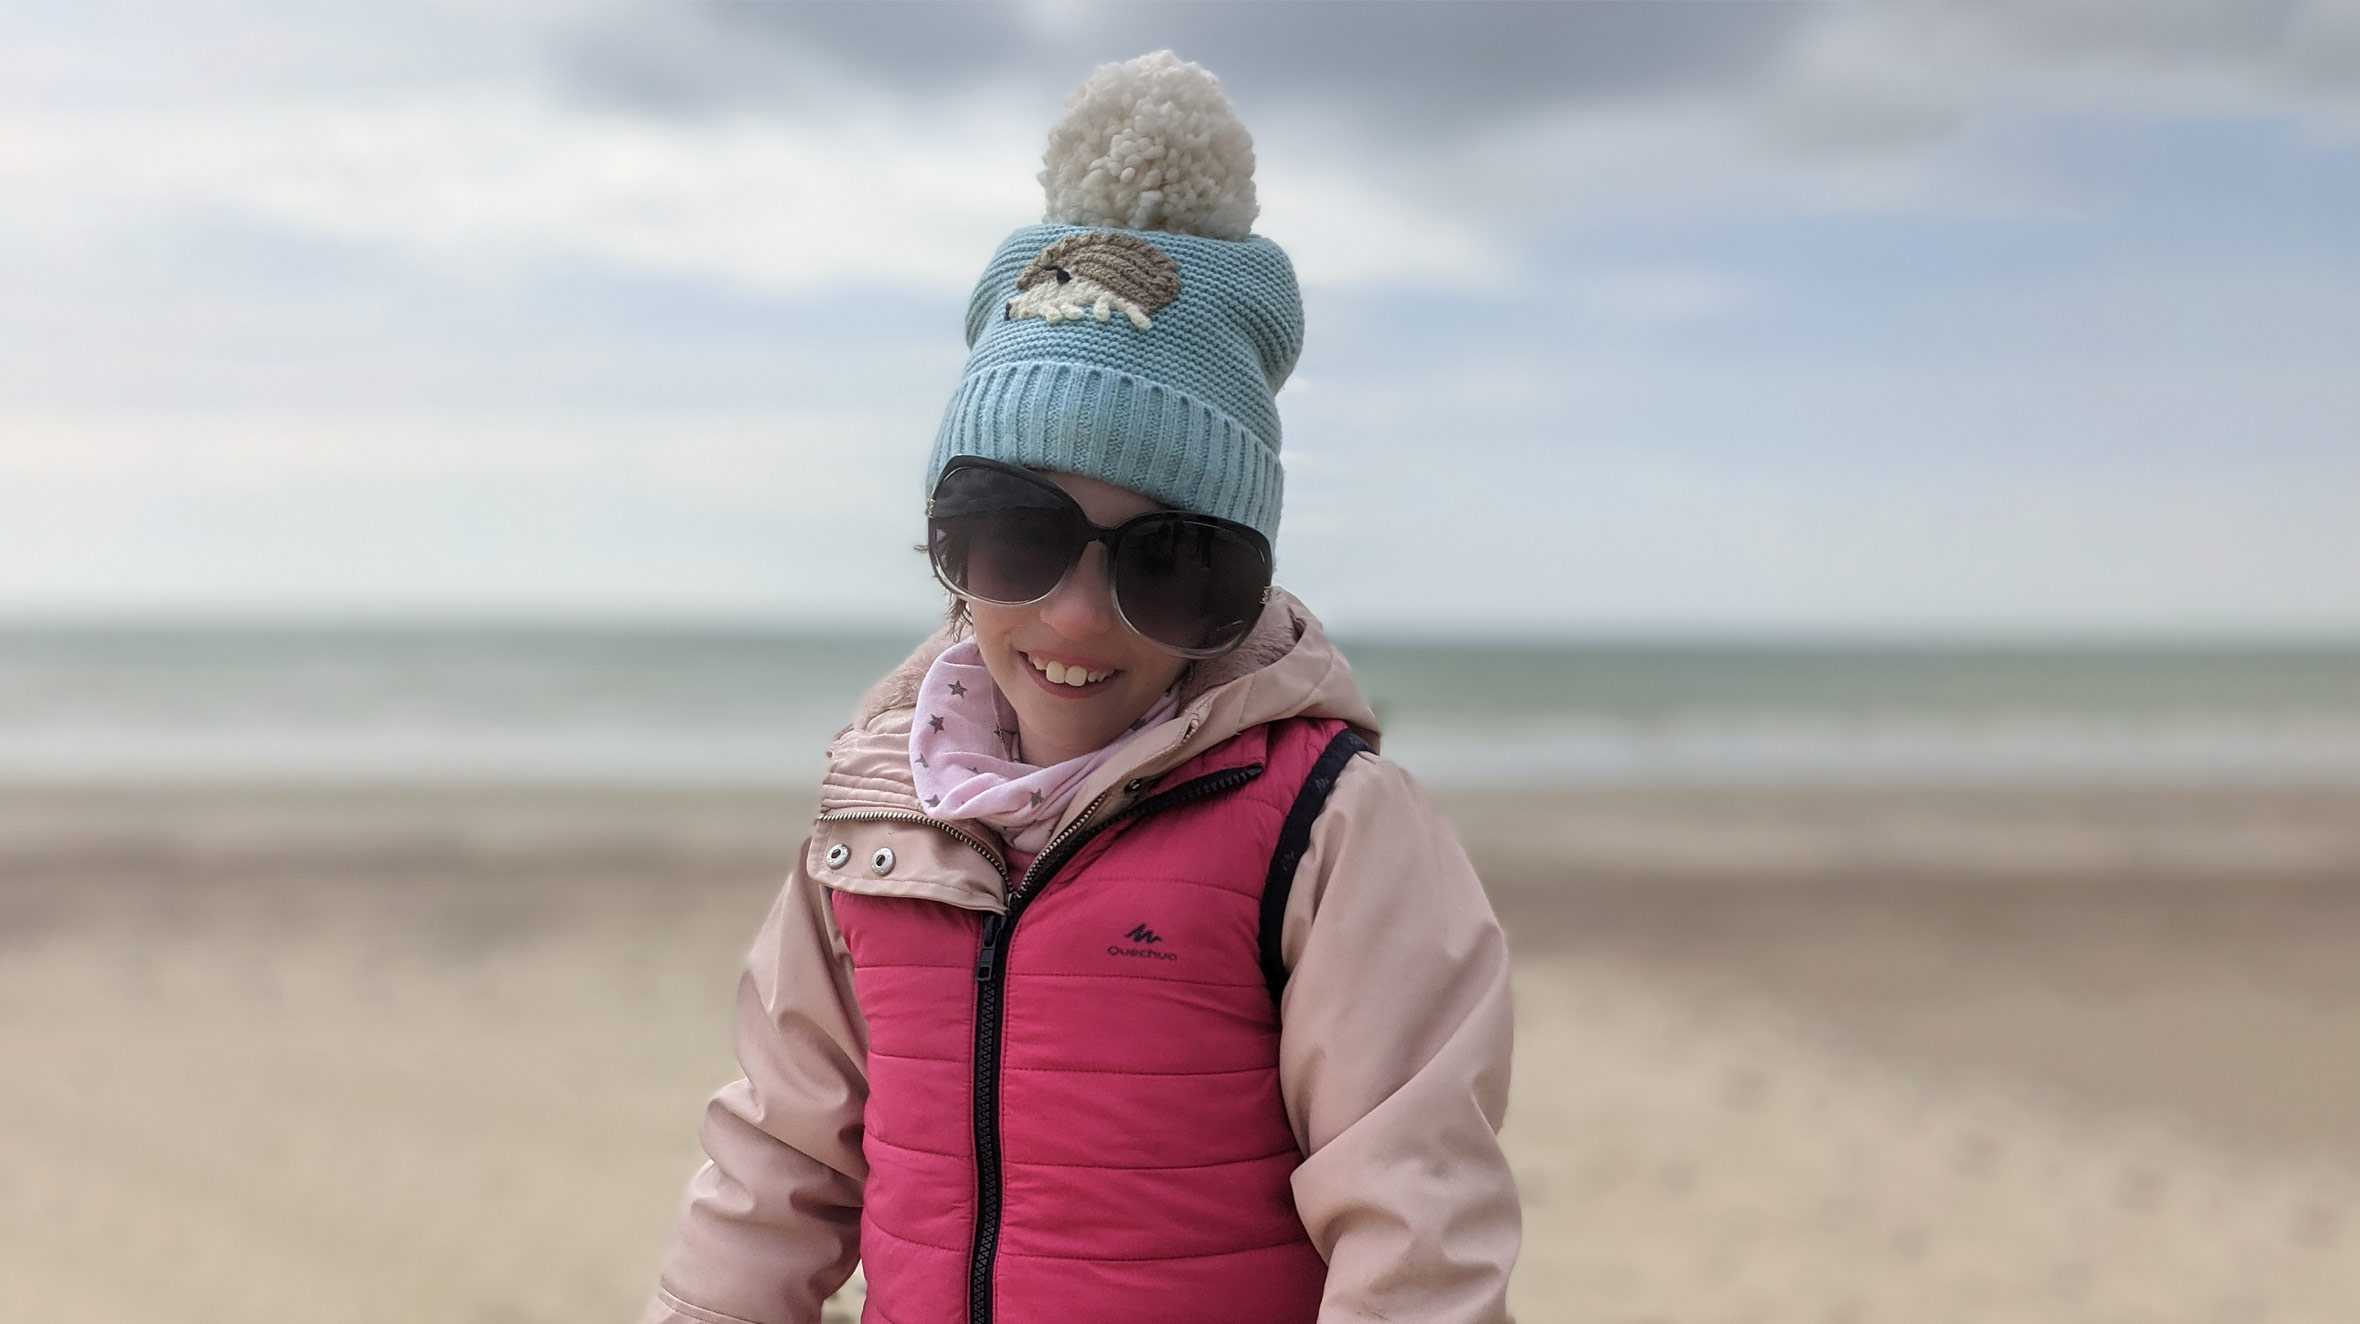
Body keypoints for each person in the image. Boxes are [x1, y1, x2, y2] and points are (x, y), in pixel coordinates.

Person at [640, 50, 1519, 1324]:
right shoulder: (872, 822)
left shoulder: (1334, 832)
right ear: (946, 540)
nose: (1072, 614)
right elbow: (776, 1166)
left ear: (1238, 581)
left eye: (1170, 563)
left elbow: (1418, 1234)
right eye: (1014, 532)